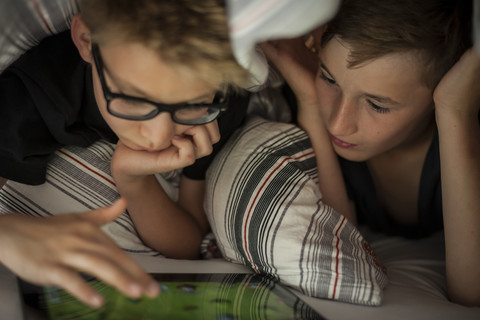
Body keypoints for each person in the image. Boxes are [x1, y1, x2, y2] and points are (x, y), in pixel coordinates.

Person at [0, 0, 250, 308]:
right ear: (86, 41)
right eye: (133, 99)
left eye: (192, 103)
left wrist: (133, 180)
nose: (159, 137)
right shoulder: (33, 95)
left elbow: (186, 246)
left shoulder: (219, 97)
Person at [261, 0, 480, 306]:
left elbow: (472, 293)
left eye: (377, 105)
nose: (338, 124)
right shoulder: (314, 111)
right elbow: (337, 248)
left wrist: (455, 111)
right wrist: (309, 104)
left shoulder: (463, 132)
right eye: (329, 78)